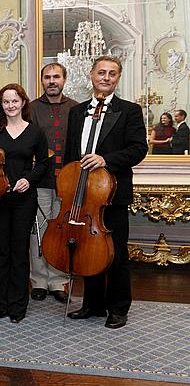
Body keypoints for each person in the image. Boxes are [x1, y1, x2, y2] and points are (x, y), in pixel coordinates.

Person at [66, 56, 148, 329]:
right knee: (88, 249)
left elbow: (138, 149)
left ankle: (118, 307)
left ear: (118, 78)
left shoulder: (130, 110)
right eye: (101, 72)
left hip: (111, 194)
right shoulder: (77, 112)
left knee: (115, 252)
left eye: (112, 73)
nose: (106, 77)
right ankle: (92, 304)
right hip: (83, 193)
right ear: (91, 75)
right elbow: (70, 154)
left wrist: (105, 159)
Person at [0, 84, 49, 323]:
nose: (10, 106)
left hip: (24, 200)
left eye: (14, 101)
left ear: (22, 102)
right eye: (6, 102)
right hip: (0, 198)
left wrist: (28, 180)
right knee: (3, 251)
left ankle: (18, 305)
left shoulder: (35, 132)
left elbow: (42, 164)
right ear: (1, 105)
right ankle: (3, 303)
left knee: (19, 252)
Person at [29, 63, 77, 303]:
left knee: (61, 231)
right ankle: (38, 280)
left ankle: (59, 281)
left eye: (56, 77)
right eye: (47, 77)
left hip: (69, 182)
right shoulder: (31, 109)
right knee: (38, 231)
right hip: (40, 181)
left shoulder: (77, 109)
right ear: (41, 81)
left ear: (64, 80)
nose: (51, 81)